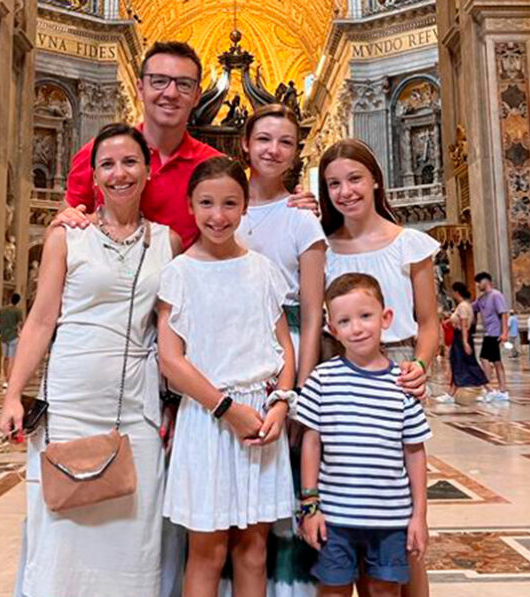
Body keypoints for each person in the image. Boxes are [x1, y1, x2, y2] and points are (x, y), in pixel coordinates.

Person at [0, 124, 182, 597]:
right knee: (62, 522)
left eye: (129, 162)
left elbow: (172, 329)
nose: (119, 173)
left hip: (135, 403)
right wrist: (13, 394)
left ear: (147, 170)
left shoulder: (167, 242)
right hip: (72, 396)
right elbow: (41, 320)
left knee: (134, 527)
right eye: (108, 164)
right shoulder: (66, 236)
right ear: (94, 175)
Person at [157, 157, 295, 597]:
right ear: (191, 206)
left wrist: (281, 402)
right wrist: (225, 408)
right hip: (208, 417)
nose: (218, 215)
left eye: (230, 203)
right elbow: (171, 359)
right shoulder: (178, 272)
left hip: (260, 419)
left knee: (253, 548)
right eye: (207, 203)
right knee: (207, 550)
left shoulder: (263, 270)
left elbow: (283, 348)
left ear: (244, 209)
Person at [318, 138, 436, 597]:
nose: (345, 191)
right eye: (333, 184)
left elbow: (428, 322)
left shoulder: (410, 243)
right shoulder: (321, 247)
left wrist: (421, 365)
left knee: (402, 510)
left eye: (354, 179)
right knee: (350, 498)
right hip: (339, 367)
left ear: (375, 181)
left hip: (399, 367)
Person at [56, 41, 317, 246]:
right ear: (140, 88)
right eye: (159, 81)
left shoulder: (215, 166)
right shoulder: (97, 153)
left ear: (196, 96)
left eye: (183, 84)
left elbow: (250, 219)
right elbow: (68, 231)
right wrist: (63, 221)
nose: (170, 93)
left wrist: (294, 206)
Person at [236, 103, 326, 596]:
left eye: (286, 142)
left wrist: (300, 393)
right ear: (245, 145)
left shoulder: (302, 220)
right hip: (230, 356)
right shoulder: (223, 205)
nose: (273, 150)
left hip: (286, 350)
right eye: (264, 139)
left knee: (283, 475)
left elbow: (313, 313)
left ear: (296, 154)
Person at [297, 273, 430, 597]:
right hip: (335, 516)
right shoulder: (322, 379)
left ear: (386, 318)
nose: (356, 328)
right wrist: (310, 505)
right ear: (333, 330)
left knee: (385, 590)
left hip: (390, 519)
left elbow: (415, 452)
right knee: (333, 590)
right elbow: (311, 443)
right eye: (344, 321)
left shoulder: (403, 384)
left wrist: (419, 516)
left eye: (365, 316)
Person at [437, 282, 490, 404]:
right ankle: (451, 393)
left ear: (456, 292)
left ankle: (489, 389)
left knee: (469, 364)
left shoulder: (463, 306)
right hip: (460, 337)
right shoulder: (464, 305)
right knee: (458, 364)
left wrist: (465, 342)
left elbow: (464, 324)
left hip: (462, 338)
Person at [472, 272, 510, 400]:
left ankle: (492, 389)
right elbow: (472, 307)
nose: (477, 285)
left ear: (486, 281)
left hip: (494, 333)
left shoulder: (496, 295)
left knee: (485, 358)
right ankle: (501, 390)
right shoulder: (482, 298)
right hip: (488, 332)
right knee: (495, 361)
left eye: (479, 282)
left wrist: (504, 332)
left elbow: (504, 314)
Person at [0, 293, 24, 388]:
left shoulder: (2, 310)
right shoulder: (18, 311)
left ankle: (5, 377)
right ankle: (8, 379)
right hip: (13, 336)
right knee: (12, 359)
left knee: (5, 358)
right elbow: (20, 323)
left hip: (4, 336)